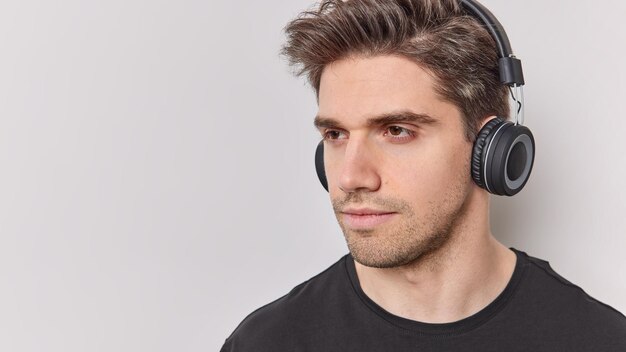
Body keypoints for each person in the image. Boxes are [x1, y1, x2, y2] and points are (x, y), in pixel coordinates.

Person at [220, 0, 626, 350]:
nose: (350, 176)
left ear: (492, 149)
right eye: (335, 134)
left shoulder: (599, 341)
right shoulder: (265, 343)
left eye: (397, 131)